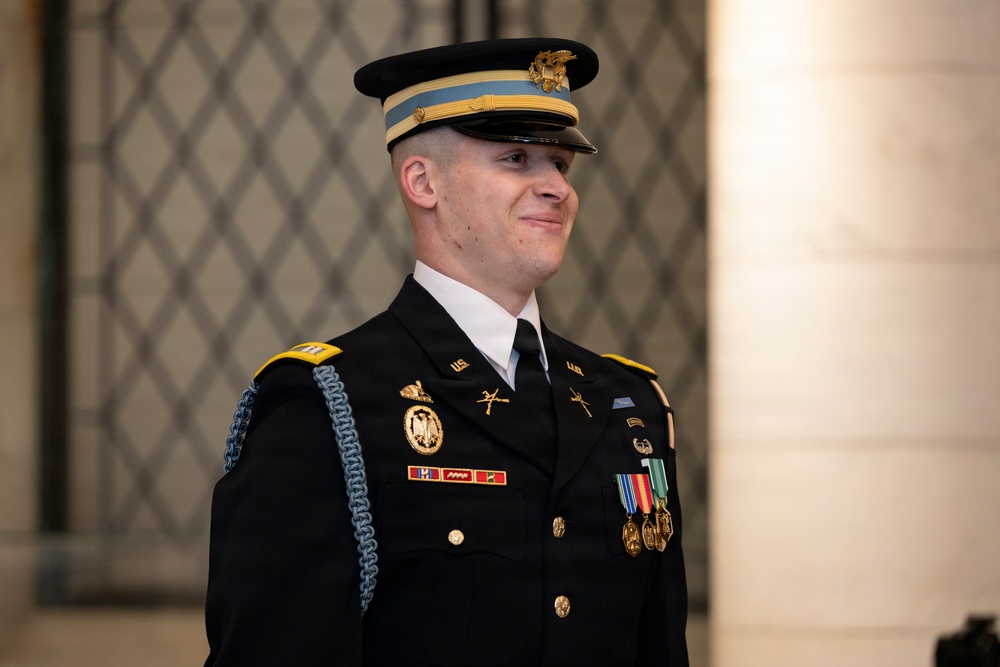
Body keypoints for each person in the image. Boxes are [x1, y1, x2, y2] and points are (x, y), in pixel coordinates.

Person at [204, 37, 689, 666]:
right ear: (422, 181)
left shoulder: (630, 405)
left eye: (561, 165)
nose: (557, 189)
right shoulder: (330, 402)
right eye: (516, 158)